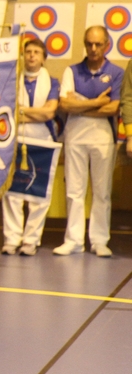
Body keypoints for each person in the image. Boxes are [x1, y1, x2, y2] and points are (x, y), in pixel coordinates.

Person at [55, 26, 124, 257]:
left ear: (106, 45)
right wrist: (97, 102)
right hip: (75, 135)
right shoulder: (71, 71)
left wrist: (81, 104)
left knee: (102, 191)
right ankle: (73, 240)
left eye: (97, 44)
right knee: (74, 190)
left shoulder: (116, 73)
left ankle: (99, 240)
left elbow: (114, 107)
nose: (93, 49)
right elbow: (64, 105)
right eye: (89, 44)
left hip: (103, 137)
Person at [2, 38, 60, 256]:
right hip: (15, 140)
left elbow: (49, 113)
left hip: (43, 141)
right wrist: (34, 112)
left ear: (43, 57)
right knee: (13, 192)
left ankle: (31, 240)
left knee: (37, 193)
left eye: (36, 52)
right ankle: (12, 238)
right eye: (28, 52)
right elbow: (8, 112)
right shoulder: (12, 81)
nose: (32, 56)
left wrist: (22, 111)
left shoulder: (52, 83)